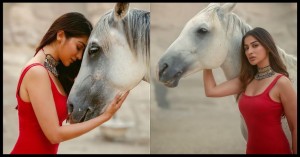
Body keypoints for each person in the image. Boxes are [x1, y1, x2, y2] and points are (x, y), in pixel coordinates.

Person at [10, 12, 130, 154]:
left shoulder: (53, 72)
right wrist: (105, 117)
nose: (79, 56)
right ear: (60, 36)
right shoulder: (37, 72)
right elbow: (54, 135)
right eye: (79, 47)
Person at [203, 27, 297, 154]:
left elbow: (295, 126)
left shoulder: (281, 82)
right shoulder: (245, 81)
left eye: (255, 45)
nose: (249, 52)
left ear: (268, 47)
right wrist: (206, 62)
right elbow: (211, 91)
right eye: (246, 48)